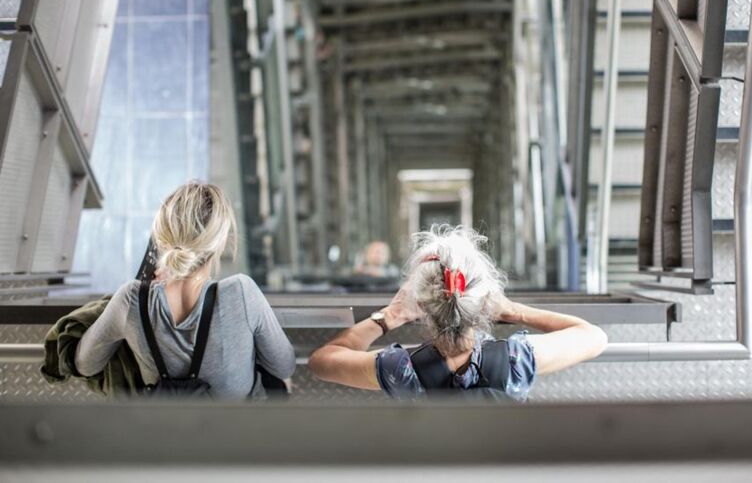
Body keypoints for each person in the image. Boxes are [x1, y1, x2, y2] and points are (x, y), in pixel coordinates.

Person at [308, 226, 607, 400]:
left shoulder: (400, 369)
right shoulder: (517, 360)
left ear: (422, 306)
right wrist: (514, 311)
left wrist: (388, 318)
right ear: (485, 299)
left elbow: (322, 362)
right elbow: (594, 337)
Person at [75, 182, 296, 399]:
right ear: (220, 242)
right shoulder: (240, 293)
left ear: (160, 238)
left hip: (172, 433)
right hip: (244, 432)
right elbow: (284, 367)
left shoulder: (131, 301)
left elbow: (85, 365)